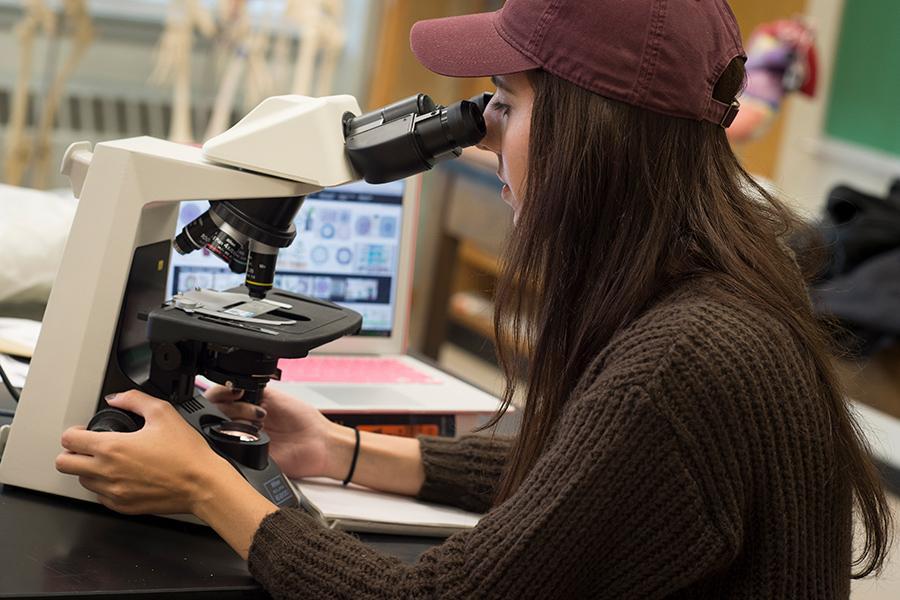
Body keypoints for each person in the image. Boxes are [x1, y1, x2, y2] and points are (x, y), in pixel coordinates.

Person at [55, 1, 892, 597]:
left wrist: (208, 486)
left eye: (509, 102)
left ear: (590, 137)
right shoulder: (711, 291)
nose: (484, 130)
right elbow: (579, 485)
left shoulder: (679, 364)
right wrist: (339, 451)